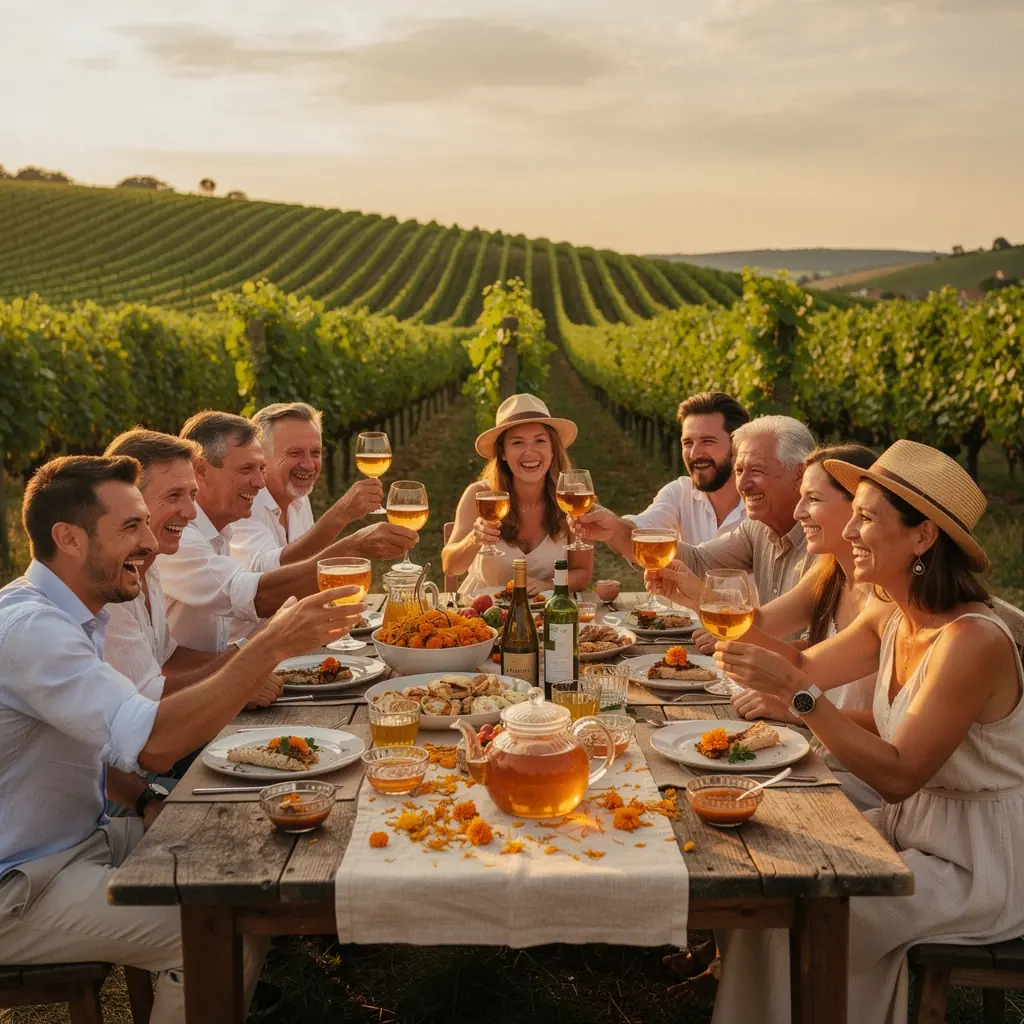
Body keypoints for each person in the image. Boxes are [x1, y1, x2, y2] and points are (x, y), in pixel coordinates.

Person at [0, 454, 365, 1024]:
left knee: (240, 861)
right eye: (129, 527)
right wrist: (270, 647)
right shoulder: (33, 631)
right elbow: (154, 744)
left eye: (146, 523)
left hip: (80, 840)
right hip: (19, 885)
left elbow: (96, 747)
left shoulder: (72, 615)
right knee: (213, 931)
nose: (149, 542)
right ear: (67, 538)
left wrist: (145, 801)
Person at [710, 440, 1024, 1024]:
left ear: (923, 537)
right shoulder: (891, 610)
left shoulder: (972, 642)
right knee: (770, 884)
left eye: (867, 517)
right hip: (910, 834)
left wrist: (799, 699)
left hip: (973, 866)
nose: (848, 531)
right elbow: (804, 666)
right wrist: (726, 628)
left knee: (815, 910)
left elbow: (899, 773)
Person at [648, 443, 879, 718]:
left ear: (860, 506)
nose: (798, 512)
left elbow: (891, 730)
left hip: (839, 750)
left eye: (814, 499)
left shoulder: (889, 597)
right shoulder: (829, 572)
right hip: (824, 742)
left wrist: (794, 709)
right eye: (801, 497)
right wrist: (695, 598)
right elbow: (763, 626)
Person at [158, 411, 416, 652]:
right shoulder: (178, 538)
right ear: (201, 470)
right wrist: (352, 547)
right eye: (246, 469)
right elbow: (259, 594)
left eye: (260, 469)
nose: (260, 483)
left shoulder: (221, 530)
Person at [102, 429, 284, 706]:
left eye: (192, 495)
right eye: (174, 496)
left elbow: (169, 657)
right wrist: (239, 675)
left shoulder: (148, 567)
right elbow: (144, 698)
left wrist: (245, 661)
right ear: (127, 501)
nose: (191, 512)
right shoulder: (106, 584)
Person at [580, 414, 816, 609]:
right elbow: (698, 562)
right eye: (740, 471)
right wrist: (616, 530)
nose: (743, 485)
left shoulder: (822, 544)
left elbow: (808, 648)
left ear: (800, 474)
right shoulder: (757, 529)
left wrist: (708, 605)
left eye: (756, 470)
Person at [442, 393, 593, 595]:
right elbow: (450, 566)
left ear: (553, 449)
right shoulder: (480, 495)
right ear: (502, 453)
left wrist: (547, 585)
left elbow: (582, 573)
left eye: (540, 441)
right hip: (483, 614)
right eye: (517, 443)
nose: (529, 452)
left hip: (548, 614)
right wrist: (474, 539)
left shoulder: (572, 501)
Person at [574, 392, 749, 554]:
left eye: (708, 441)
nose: (694, 454)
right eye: (688, 443)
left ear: (738, 445)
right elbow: (639, 534)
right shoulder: (679, 493)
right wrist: (612, 529)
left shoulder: (762, 504)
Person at [230, 402, 384, 571]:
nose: (310, 465)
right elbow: (266, 575)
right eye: (295, 453)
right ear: (261, 458)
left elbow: (307, 565)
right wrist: (341, 514)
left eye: (315, 453)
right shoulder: (242, 501)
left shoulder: (298, 498)